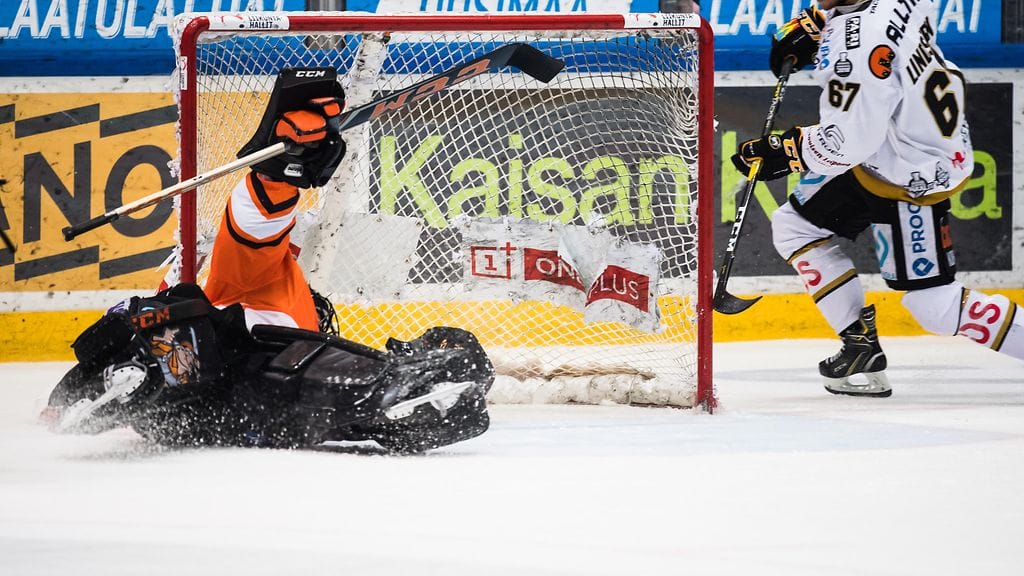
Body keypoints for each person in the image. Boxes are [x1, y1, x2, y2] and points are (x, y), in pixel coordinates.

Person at [43, 68, 494, 452]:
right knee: (203, 333)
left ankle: (154, 372)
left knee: (426, 379)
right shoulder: (253, 283)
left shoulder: (269, 303)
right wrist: (280, 172)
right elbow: (256, 224)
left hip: (230, 404)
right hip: (240, 386)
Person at [731, 1, 1024, 397]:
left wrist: (787, 151)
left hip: (911, 173)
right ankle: (859, 346)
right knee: (794, 226)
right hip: (900, 148)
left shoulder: (857, 50)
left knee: (935, 307)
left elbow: (849, 141)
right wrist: (821, 21)